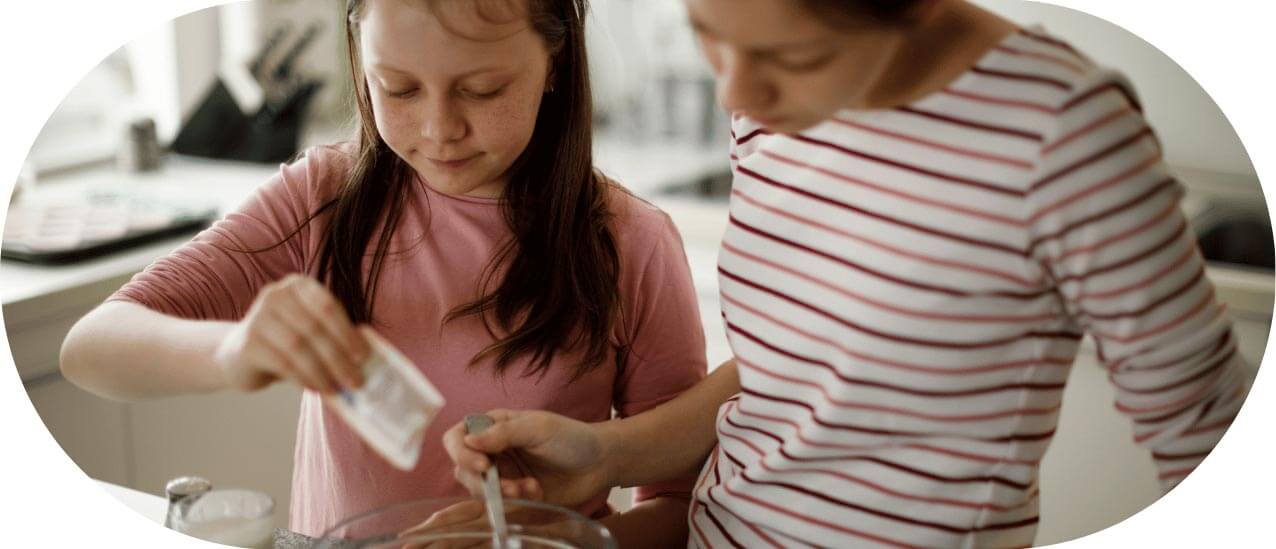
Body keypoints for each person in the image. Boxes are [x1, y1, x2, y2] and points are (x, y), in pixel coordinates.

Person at [443, 0, 1252, 547]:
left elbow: (1215, 442)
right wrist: (607, 455)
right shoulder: (765, 101)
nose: (737, 88)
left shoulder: (1063, 133)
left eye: (794, 56)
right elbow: (790, 380)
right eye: (707, 28)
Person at [58, 0, 706, 544]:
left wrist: (559, 537)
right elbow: (90, 347)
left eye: (482, 89)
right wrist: (231, 349)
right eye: (397, 86)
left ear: (555, 63)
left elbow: (685, 509)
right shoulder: (321, 198)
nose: (438, 128)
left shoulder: (631, 243)